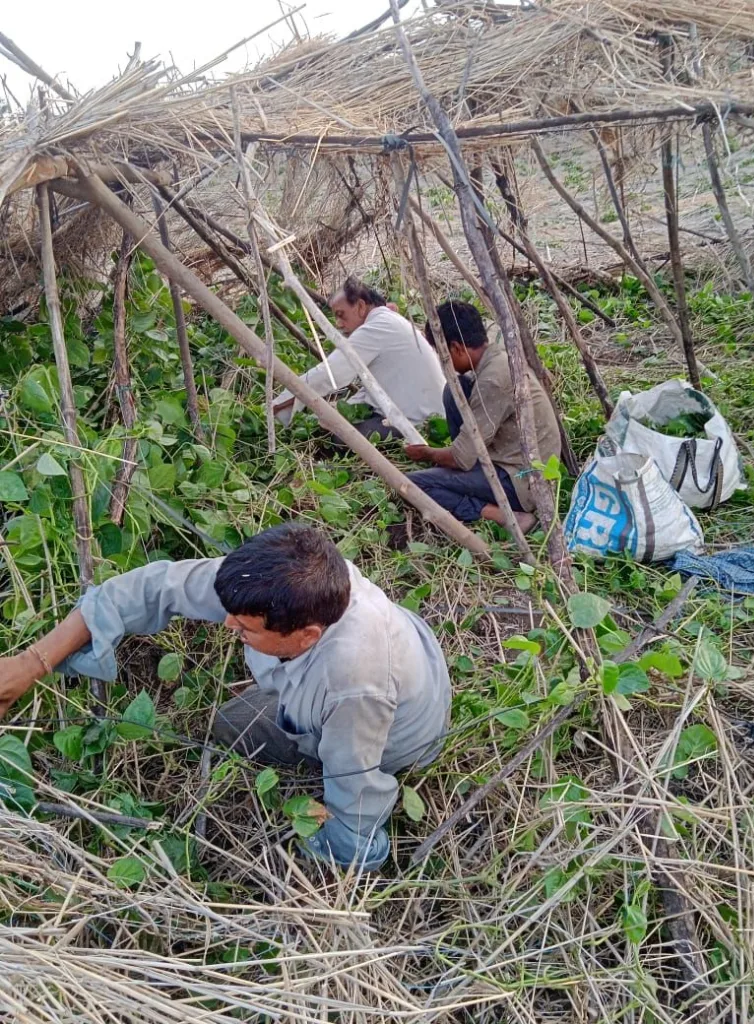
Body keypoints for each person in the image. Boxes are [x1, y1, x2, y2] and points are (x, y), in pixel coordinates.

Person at [0, 524, 450, 871]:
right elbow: (152, 588)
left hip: (404, 733)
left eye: (246, 628)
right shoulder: (283, 583)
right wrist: (31, 664)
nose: (229, 628)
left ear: (306, 635)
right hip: (408, 667)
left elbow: (358, 784)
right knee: (238, 719)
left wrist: (338, 852)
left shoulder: (353, 683)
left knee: (234, 726)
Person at [403, 301, 561, 534]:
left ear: (456, 348)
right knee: (453, 391)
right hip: (517, 461)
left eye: (441, 352)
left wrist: (427, 454)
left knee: (413, 485)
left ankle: (505, 515)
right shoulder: (497, 359)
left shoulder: (492, 380)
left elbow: (459, 458)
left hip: (522, 481)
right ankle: (471, 473)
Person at [273, 278, 445, 441]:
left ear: (361, 306)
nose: (339, 324)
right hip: (433, 416)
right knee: (332, 421)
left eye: (341, 315)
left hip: (417, 424)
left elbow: (329, 374)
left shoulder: (375, 328)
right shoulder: (388, 320)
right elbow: (376, 386)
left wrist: (278, 404)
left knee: (338, 437)